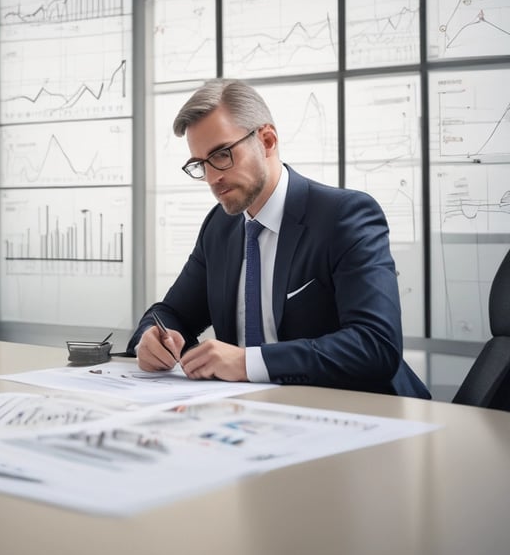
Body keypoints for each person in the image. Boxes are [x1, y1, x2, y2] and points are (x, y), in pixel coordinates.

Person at [128, 79, 430, 398]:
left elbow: (375, 345)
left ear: (267, 140)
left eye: (222, 155)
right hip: (257, 412)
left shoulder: (344, 216)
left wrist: (248, 363)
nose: (213, 178)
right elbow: (171, 313)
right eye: (200, 164)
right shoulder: (220, 227)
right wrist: (151, 337)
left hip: (366, 410)